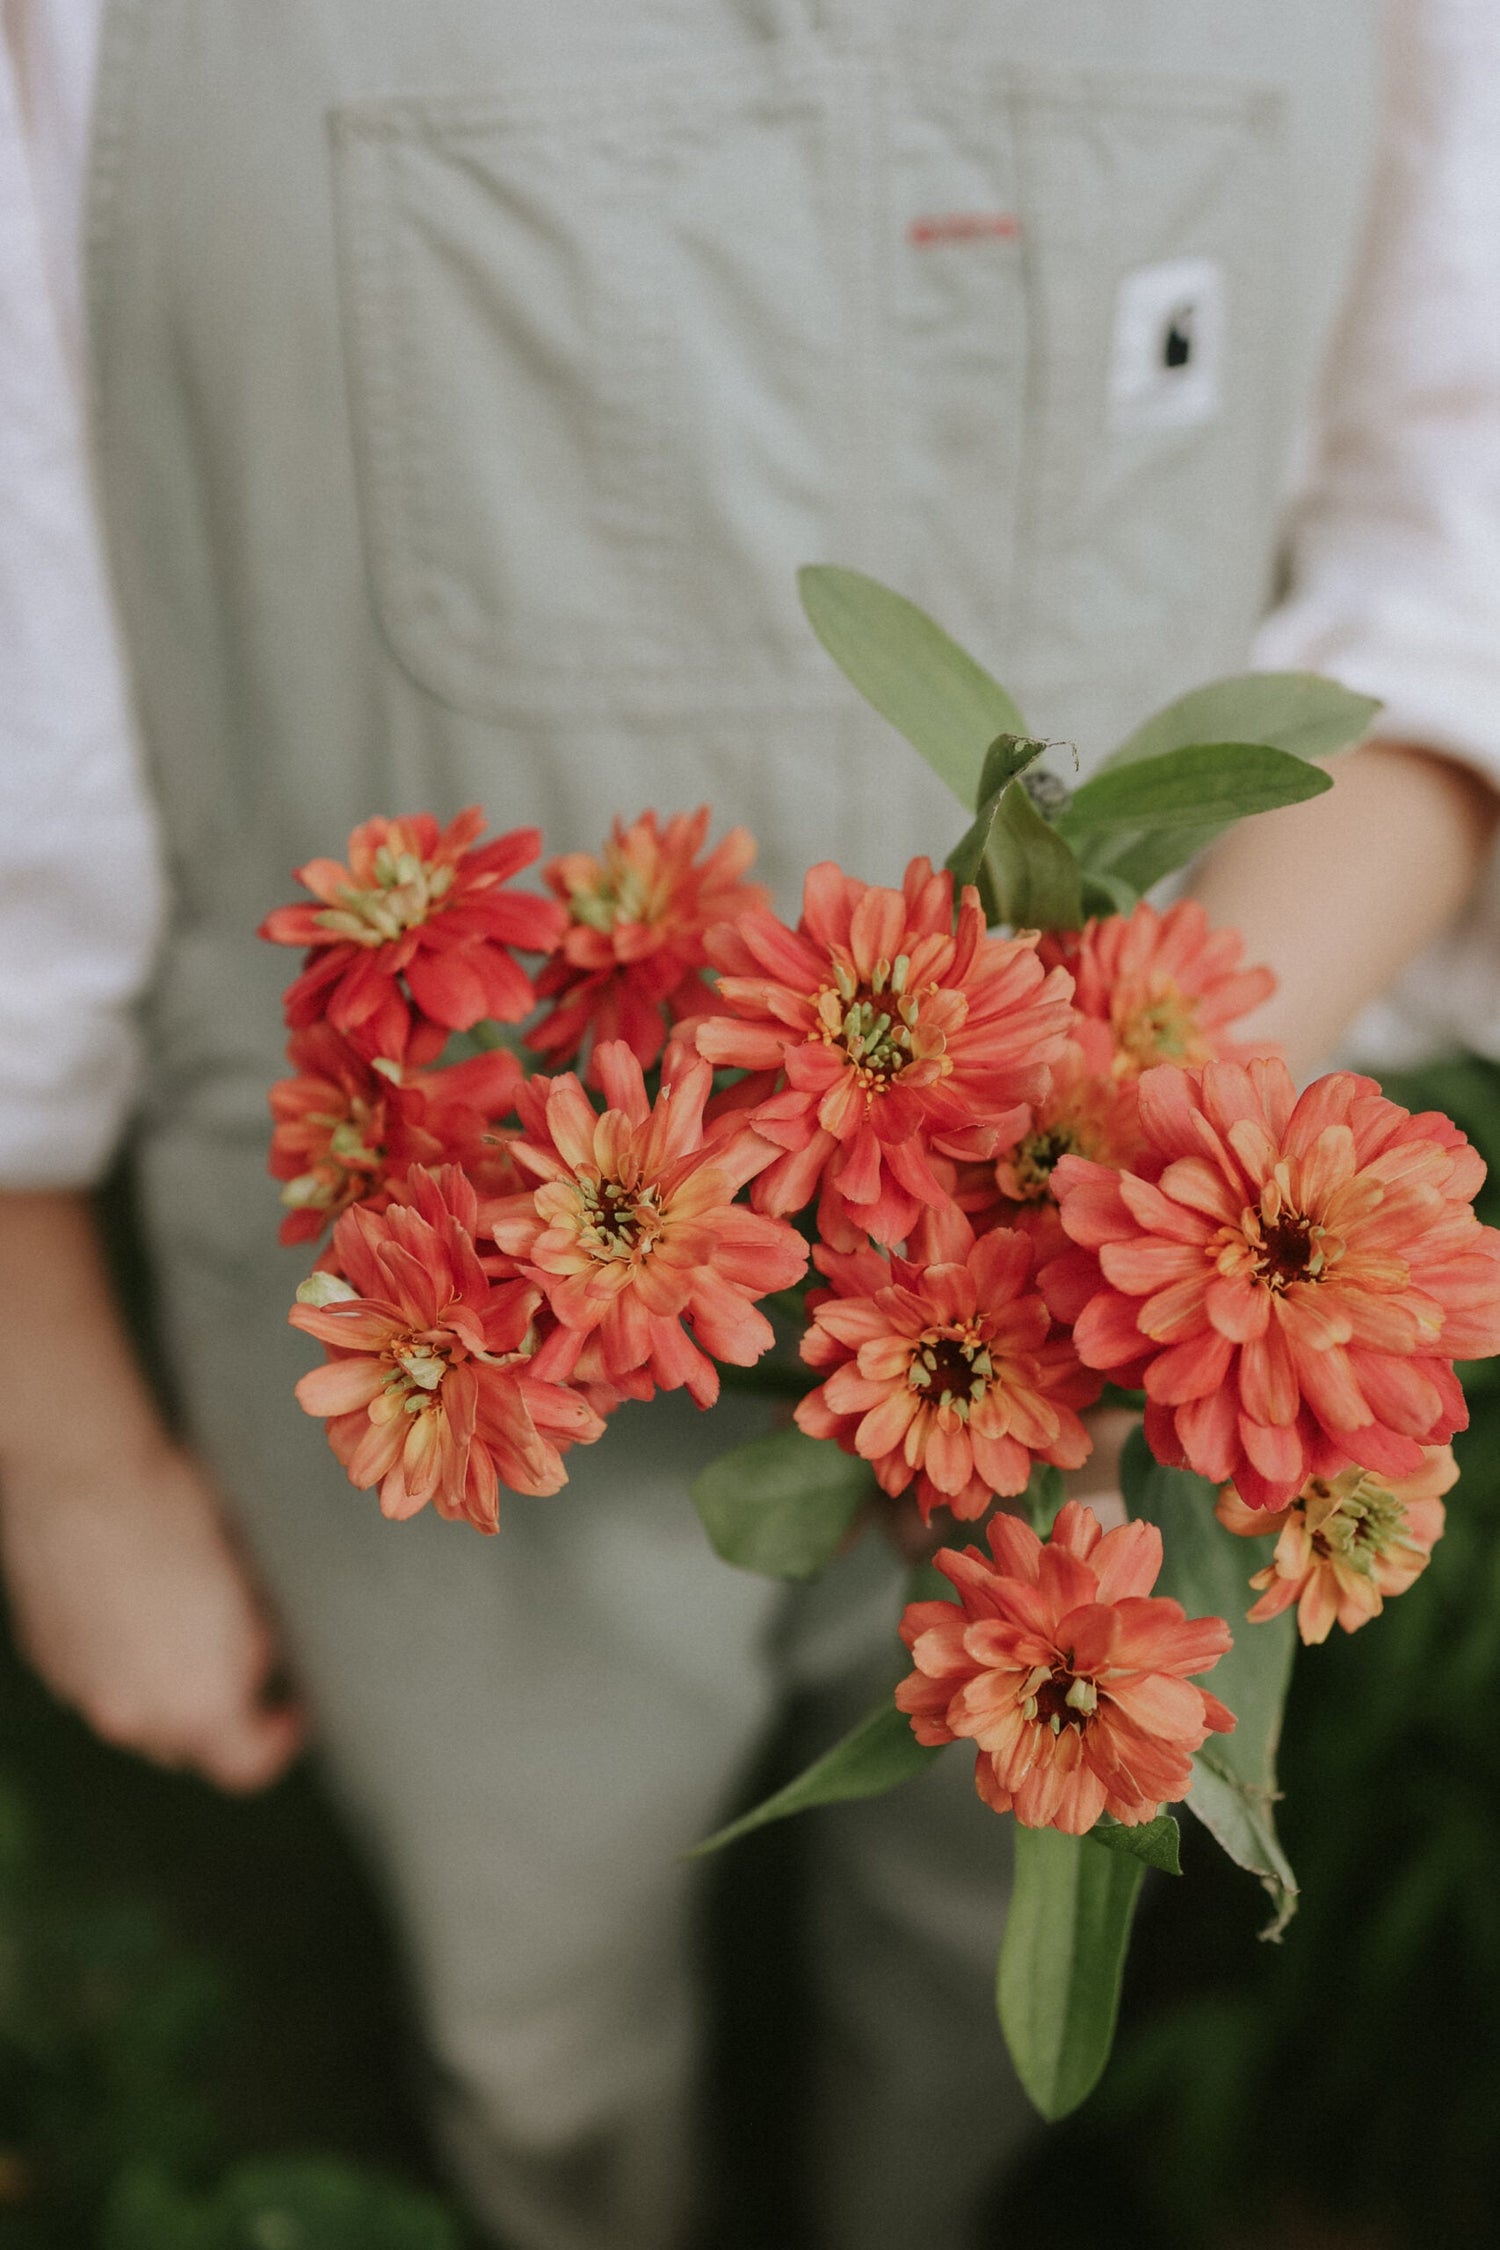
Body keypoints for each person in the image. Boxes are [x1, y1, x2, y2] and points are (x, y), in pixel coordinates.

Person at [2, 3, 1499, 2246]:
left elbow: (1456, 561)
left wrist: (1159, 1130)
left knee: (968, 1944)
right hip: (411, 1288)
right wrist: (58, 1436)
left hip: (1108, 1276)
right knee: (533, 1991)